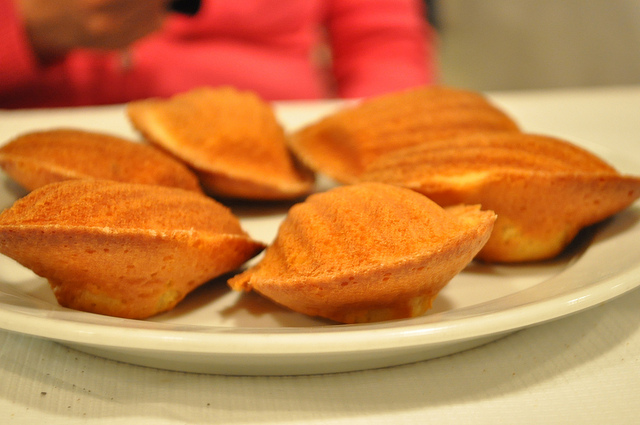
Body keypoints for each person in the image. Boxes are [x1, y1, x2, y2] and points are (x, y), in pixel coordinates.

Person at [0, 0, 436, 109]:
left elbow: (381, 40)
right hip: (30, 162)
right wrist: (26, 29)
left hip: (285, 159)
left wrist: (377, 143)